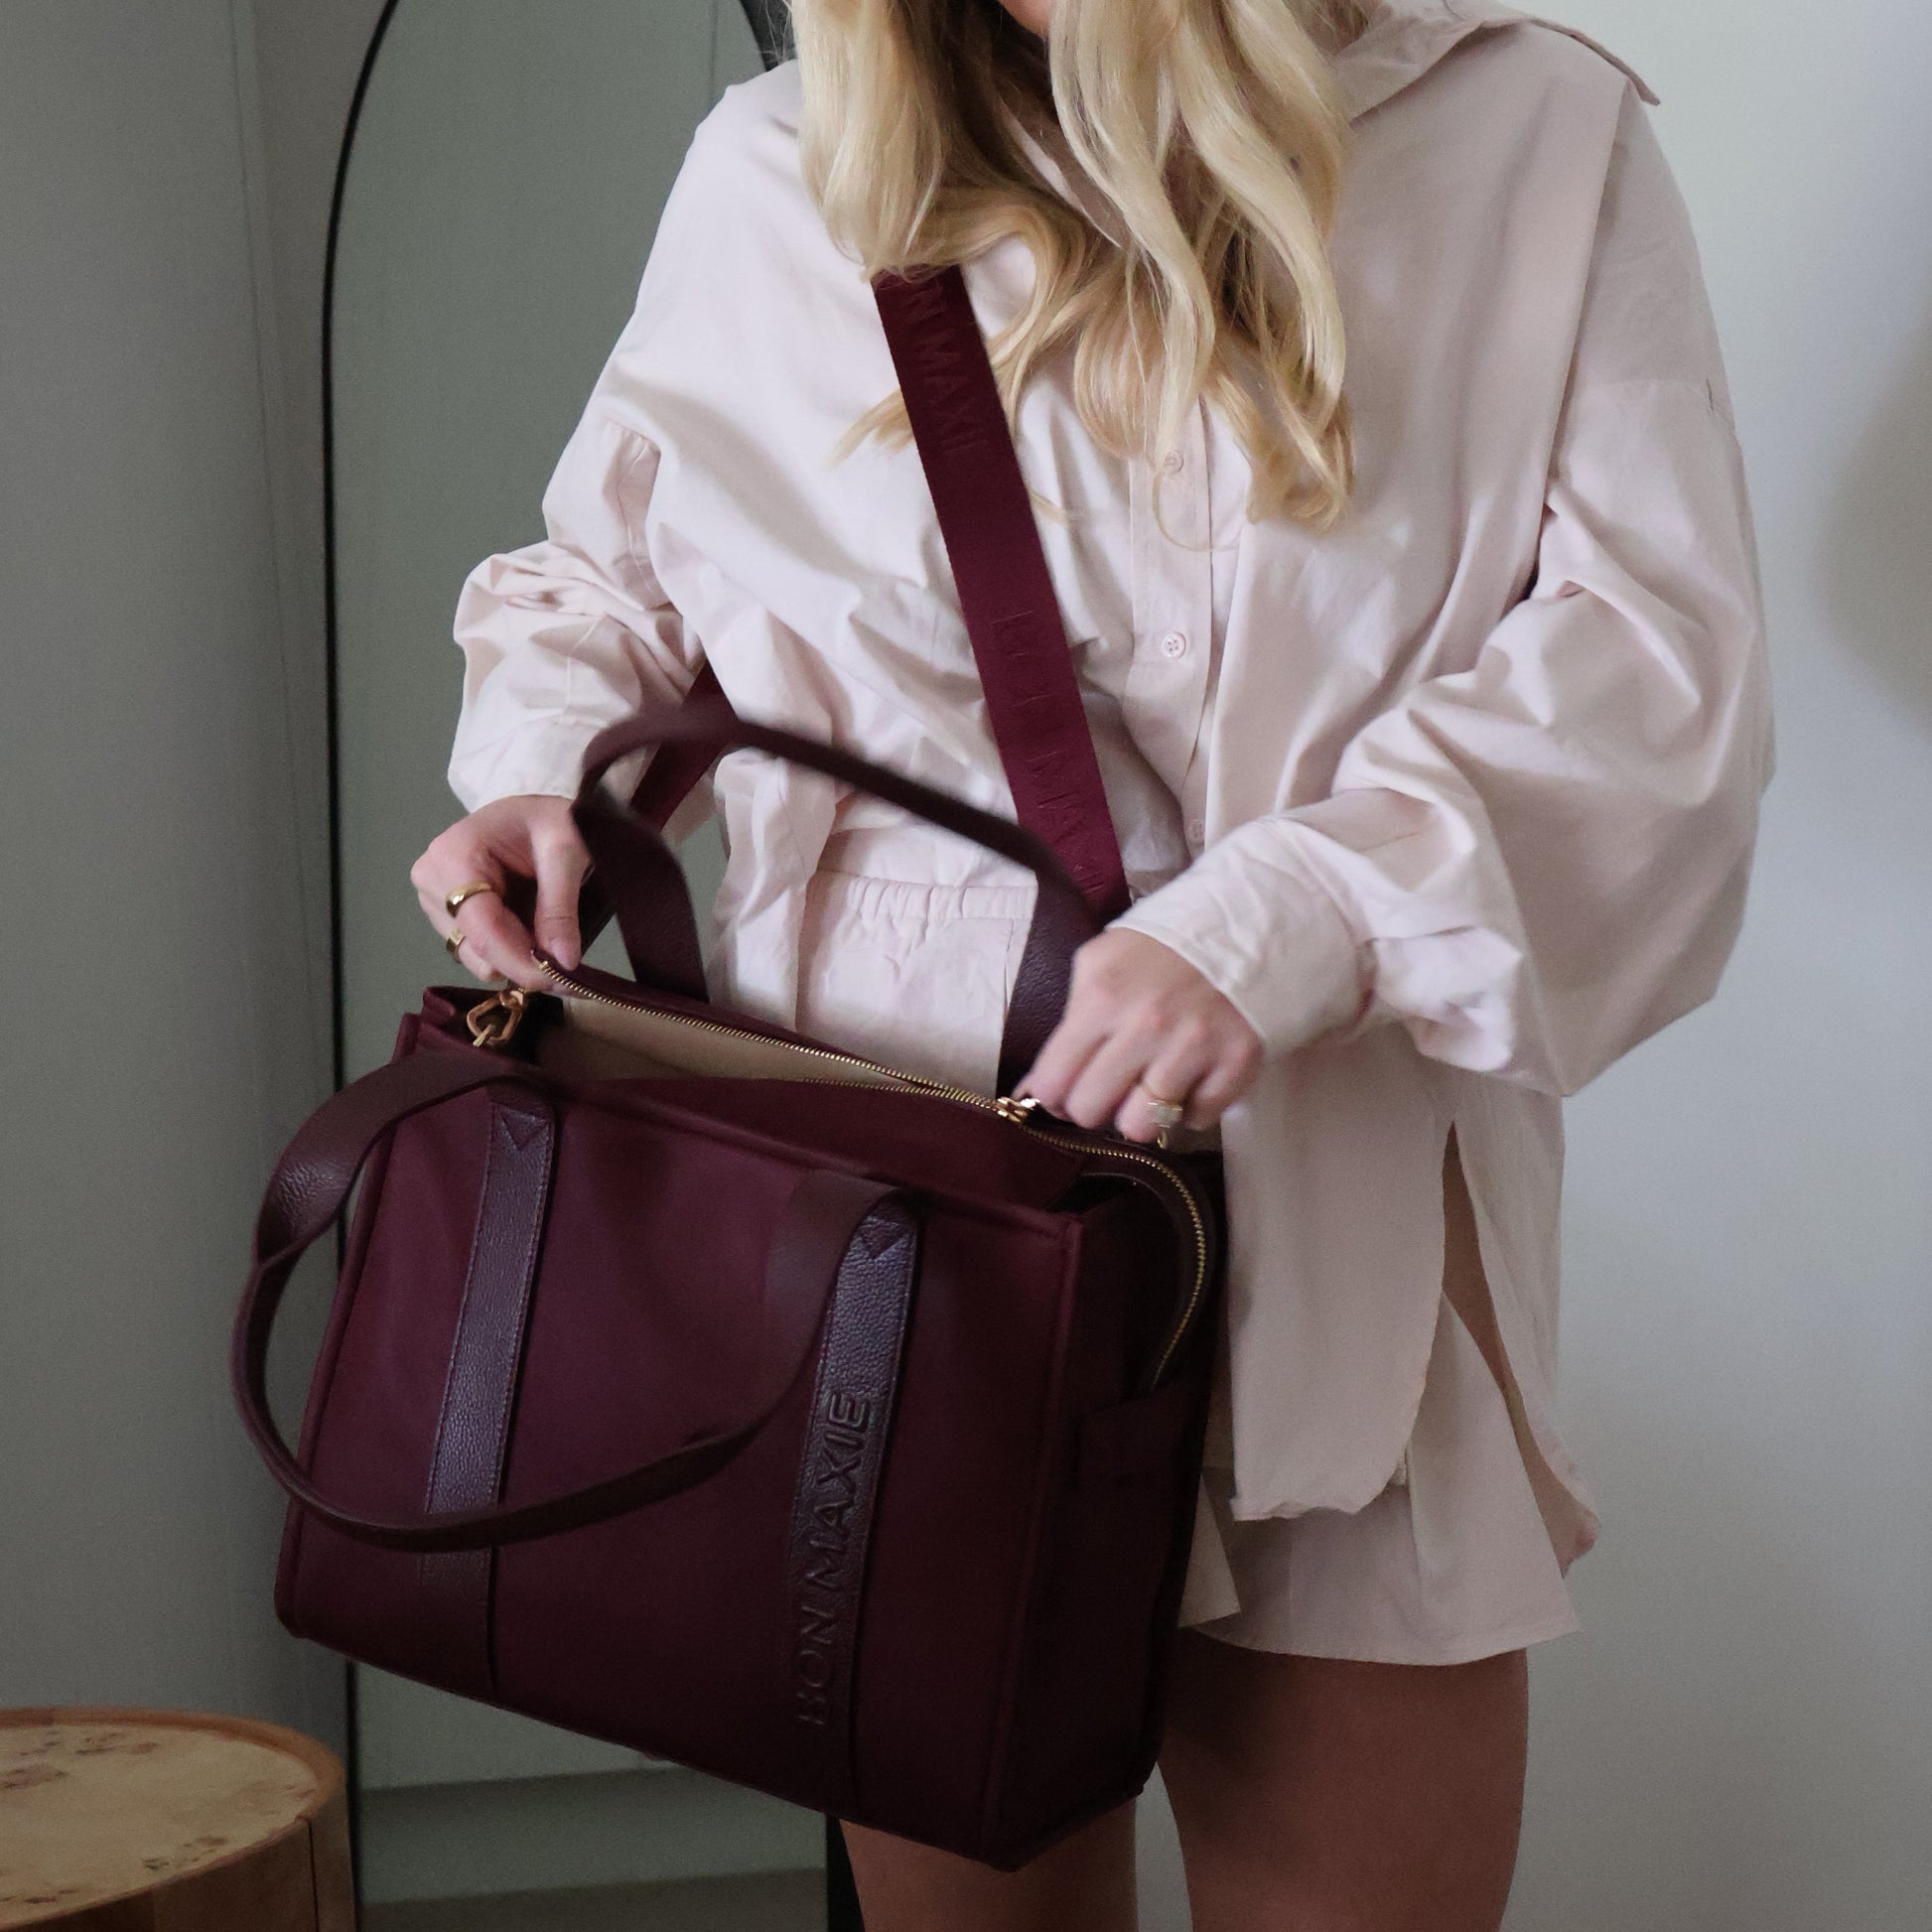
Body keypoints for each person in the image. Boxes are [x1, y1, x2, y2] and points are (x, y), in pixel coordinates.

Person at [412, 0, 1773, 1923]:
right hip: (899, 1237)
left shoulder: (1527, 142)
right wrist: (538, 772)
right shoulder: (787, 167)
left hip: (1341, 1217)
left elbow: (1658, 682)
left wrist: (1287, 914)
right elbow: (619, 578)